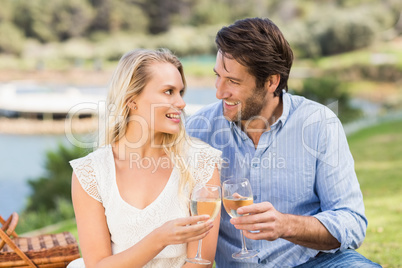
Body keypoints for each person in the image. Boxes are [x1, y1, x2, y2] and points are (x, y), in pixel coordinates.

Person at [186, 18, 381, 267]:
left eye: (233, 81)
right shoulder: (199, 129)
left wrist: (285, 225)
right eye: (218, 76)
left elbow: (352, 223)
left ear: (271, 82)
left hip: (314, 262)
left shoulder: (318, 123)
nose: (219, 91)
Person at [68, 49, 222, 268]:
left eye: (180, 92)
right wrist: (159, 239)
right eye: (168, 92)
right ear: (132, 100)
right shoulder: (91, 173)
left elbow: (200, 262)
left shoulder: (201, 163)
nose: (181, 103)